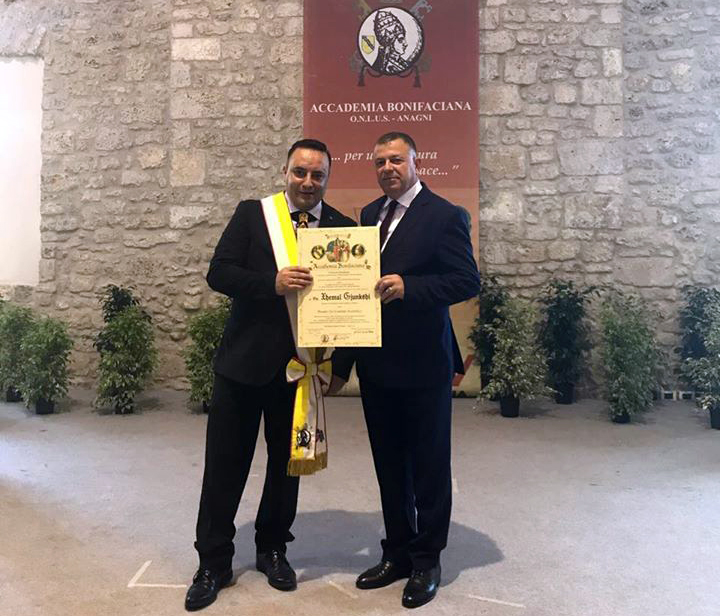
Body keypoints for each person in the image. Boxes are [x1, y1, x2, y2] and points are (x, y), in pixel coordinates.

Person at [185, 138, 355, 612]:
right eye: (300, 172)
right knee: (224, 468)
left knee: (287, 468)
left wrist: (340, 367)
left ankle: (273, 549)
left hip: (300, 372)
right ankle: (213, 562)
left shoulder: (342, 228)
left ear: (328, 178)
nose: (308, 182)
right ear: (285, 172)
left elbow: (355, 306)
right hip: (242, 367)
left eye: (317, 175)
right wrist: (270, 283)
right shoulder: (253, 214)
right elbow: (219, 273)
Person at [331, 132, 480, 609]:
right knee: (390, 464)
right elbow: (357, 293)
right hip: (378, 363)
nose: (387, 168)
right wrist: (342, 363)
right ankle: (396, 551)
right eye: (380, 162)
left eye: (396, 159)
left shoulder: (445, 215)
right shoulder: (369, 216)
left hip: (424, 362)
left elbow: (466, 280)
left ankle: (426, 559)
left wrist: (410, 287)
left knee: (430, 466)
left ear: (416, 162)